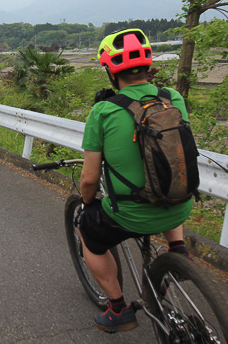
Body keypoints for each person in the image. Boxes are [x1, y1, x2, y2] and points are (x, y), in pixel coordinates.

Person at [78, 28, 193, 333]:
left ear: (110, 72)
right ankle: (178, 249)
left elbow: (90, 179)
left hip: (131, 215)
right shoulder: (173, 98)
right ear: (147, 66)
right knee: (166, 176)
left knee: (88, 232)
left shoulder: (103, 111)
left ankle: (117, 309)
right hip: (181, 206)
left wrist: (87, 204)